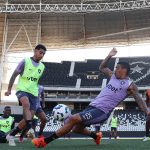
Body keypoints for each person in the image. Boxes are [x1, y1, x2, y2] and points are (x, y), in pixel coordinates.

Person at [32, 48, 150, 148]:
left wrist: (147, 112)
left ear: (124, 70)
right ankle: (96, 136)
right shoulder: (113, 76)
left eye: (117, 67)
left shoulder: (130, 85)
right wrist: (109, 55)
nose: (115, 70)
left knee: (73, 119)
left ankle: (44, 141)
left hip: (102, 111)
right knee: (76, 129)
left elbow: (139, 99)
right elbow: (102, 68)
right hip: (92, 106)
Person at [5, 44, 46, 146]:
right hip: (22, 90)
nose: (42, 55)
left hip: (34, 93)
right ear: (35, 51)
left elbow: (36, 81)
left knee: (29, 117)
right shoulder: (25, 61)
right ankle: (30, 128)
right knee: (26, 105)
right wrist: (9, 89)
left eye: (44, 54)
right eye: (40, 52)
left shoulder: (42, 67)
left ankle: (11, 135)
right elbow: (14, 75)